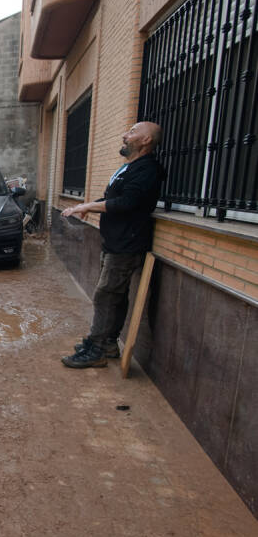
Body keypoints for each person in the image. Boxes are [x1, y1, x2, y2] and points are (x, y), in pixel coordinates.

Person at [60, 121, 165, 369]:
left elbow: (127, 203)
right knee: (113, 297)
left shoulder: (148, 169)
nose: (124, 135)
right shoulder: (130, 168)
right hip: (115, 241)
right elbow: (112, 200)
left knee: (106, 295)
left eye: (132, 132)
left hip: (127, 245)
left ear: (146, 140)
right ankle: (106, 343)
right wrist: (85, 206)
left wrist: (87, 206)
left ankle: (96, 349)